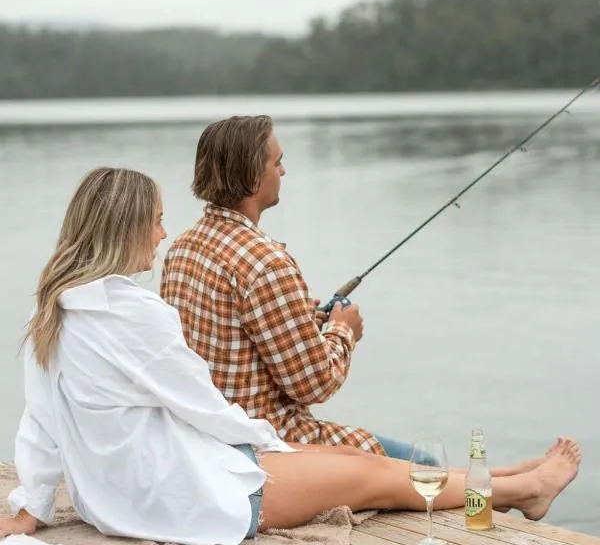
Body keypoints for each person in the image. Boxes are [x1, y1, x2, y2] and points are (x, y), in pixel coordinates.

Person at [0, 167, 582, 545]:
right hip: (184, 497)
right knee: (377, 477)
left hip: (119, 496)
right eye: (154, 221)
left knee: (356, 462)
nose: (163, 234)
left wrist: (31, 506)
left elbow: (41, 425)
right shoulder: (133, 315)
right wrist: (270, 441)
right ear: (126, 230)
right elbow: (204, 406)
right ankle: (520, 492)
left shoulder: (57, 311)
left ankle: (509, 474)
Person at [160, 114, 410, 458]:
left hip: (205, 432)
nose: (283, 172)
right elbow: (315, 384)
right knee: (423, 462)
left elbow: (230, 337)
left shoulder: (183, 246)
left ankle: (509, 488)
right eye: (277, 162)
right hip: (265, 439)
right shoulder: (266, 263)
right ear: (252, 174)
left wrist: (302, 321)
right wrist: (342, 330)